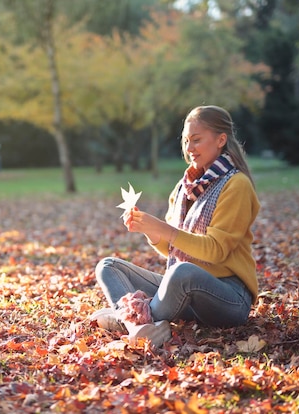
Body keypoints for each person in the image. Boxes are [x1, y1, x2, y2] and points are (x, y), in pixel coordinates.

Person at [91, 105, 260, 347]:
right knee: (108, 266)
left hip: (229, 298)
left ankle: (127, 317)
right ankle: (139, 325)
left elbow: (215, 251)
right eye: (186, 141)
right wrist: (150, 230)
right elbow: (171, 247)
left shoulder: (237, 185)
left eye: (197, 140)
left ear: (221, 139)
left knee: (182, 271)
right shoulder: (185, 187)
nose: (189, 148)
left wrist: (164, 229)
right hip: (187, 292)